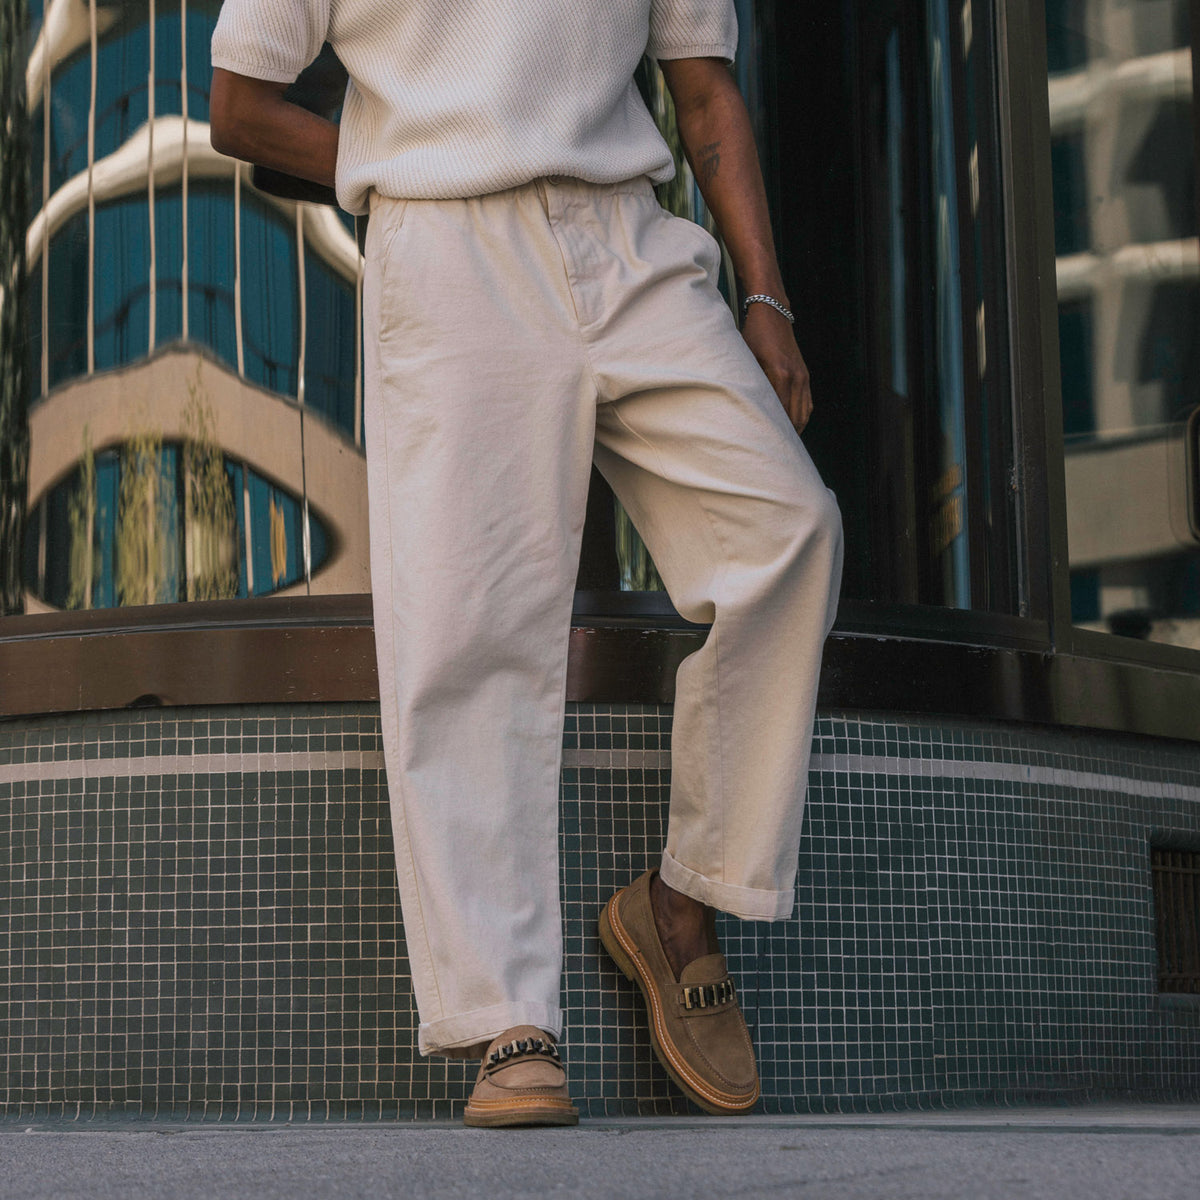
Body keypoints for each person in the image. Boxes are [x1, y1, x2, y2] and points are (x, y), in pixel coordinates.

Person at [209, 0, 843, 1127]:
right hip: (448, 253)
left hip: (630, 239)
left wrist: (765, 292)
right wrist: (401, 163)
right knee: (468, 630)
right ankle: (509, 1021)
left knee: (788, 529)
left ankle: (684, 901)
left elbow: (703, 93)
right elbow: (240, 108)